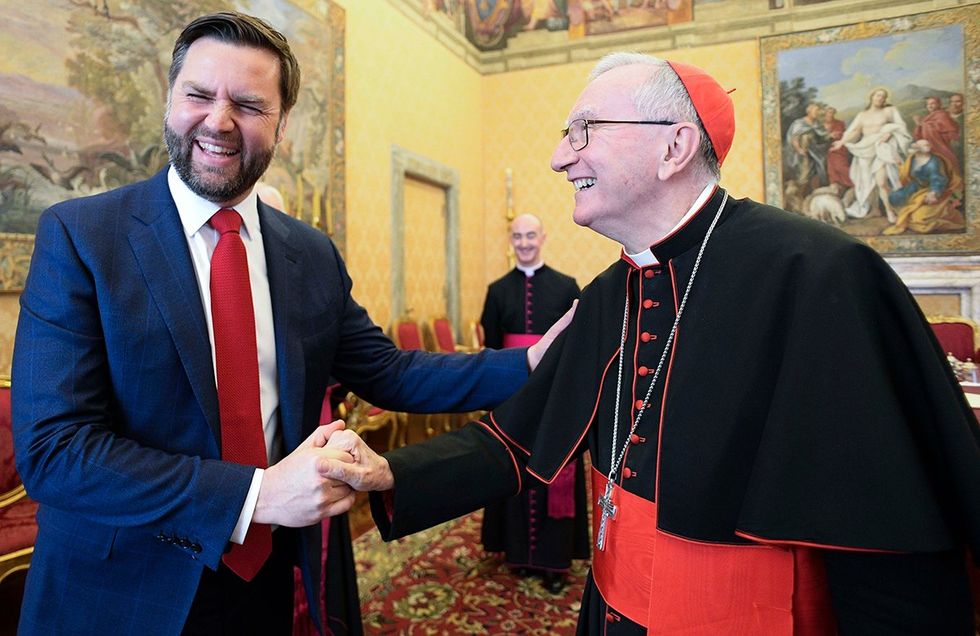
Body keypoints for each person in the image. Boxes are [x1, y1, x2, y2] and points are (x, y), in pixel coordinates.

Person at [323, 52, 980, 633]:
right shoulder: (612, 291)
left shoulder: (817, 274)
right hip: (611, 611)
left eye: (583, 131)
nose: (559, 157)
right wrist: (390, 472)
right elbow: (518, 437)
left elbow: (892, 540)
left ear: (674, 146)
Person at [10, 12, 564, 635]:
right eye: (198, 95)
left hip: (265, 580)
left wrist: (528, 362)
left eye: (248, 104)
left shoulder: (310, 253)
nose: (218, 121)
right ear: (170, 101)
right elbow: (55, 451)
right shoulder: (82, 236)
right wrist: (254, 497)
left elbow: (389, 370)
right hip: (121, 592)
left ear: (281, 124)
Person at [478, 213, 589, 593]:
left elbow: (575, 345)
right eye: (517, 236)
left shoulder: (566, 286)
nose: (524, 242)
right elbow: (490, 347)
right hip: (508, 394)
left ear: (542, 237)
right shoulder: (496, 290)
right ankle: (517, 554)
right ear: (511, 240)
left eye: (530, 235)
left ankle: (554, 562)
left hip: (552, 393)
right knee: (512, 469)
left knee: (551, 472)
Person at [830, 86, 911, 222]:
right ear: (872, 97)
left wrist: (890, 133)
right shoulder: (862, 115)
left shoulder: (889, 110)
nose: (881, 98)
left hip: (882, 149)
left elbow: (900, 127)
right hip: (865, 150)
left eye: (883, 96)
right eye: (878, 95)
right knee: (869, 183)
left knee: (881, 182)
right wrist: (842, 142)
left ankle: (890, 211)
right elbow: (854, 131)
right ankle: (875, 210)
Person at [883, 138, 964, 236]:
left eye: (927, 144)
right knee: (894, 197)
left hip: (932, 190)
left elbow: (938, 179)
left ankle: (914, 215)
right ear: (916, 148)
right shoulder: (912, 158)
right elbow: (905, 173)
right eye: (924, 145)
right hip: (915, 187)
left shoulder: (934, 161)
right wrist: (899, 163)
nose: (928, 147)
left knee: (920, 218)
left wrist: (934, 193)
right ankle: (906, 214)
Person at [783, 102, 828, 198]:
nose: (817, 113)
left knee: (816, 173)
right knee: (804, 175)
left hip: (815, 153)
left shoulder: (817, 124)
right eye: (816, 111)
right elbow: (794, 138)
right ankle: (800, 195)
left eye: (818, 111)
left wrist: (829, 136)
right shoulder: (799, 123)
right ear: (809, 111)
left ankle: (811, 194)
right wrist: (799, 149)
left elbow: (821, 138)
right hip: (803, 154)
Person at [913, 95, 961, 178]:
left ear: (938, 104)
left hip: (940, 146)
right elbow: (918, 136)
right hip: (928, 147)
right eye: (928, 104)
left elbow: (948, 130)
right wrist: (919, 125)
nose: (930, 106)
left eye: (933, 103)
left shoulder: (942, 115)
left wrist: (922, 124)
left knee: (943, 168)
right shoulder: (927, 118)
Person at [822, 105, 853, 191]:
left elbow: (844, 134)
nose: (831, 114)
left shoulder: (840, 123)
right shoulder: (820, 124)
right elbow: (819, 137)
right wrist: (829, 136)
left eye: (832, 113)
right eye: (829, 112)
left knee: (840, 166)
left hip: (838, 147)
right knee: (831, 168)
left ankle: (852, 181)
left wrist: (837, 135)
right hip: (825, 147)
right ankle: (835, 183)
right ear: (825, 113)